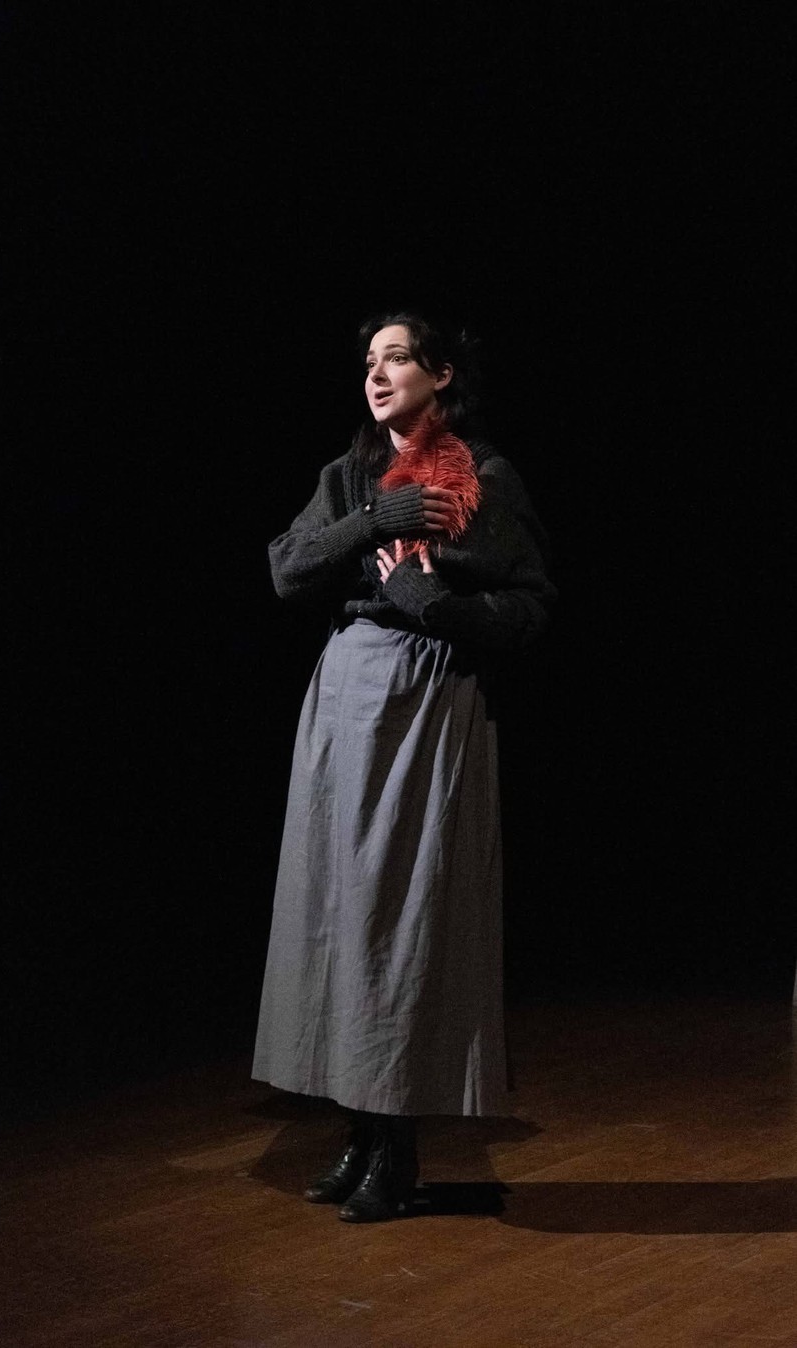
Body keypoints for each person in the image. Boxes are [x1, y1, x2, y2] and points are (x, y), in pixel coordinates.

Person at [252, 311, 556, 1222]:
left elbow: (530, 607)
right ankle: (359, 1134)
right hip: (343, 698)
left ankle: (397, 1148)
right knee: (336, 915)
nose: (378, 375)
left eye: (398, 358)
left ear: (443, 375)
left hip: (426, 699)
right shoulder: (348, 475)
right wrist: (369, 522)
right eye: (370, 362)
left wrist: (433, 603)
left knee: (400, 919)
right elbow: (287, 569)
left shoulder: (485, 478)